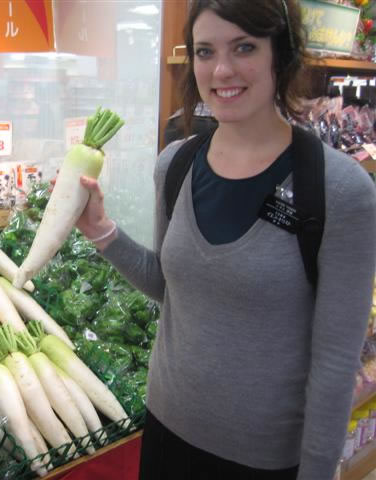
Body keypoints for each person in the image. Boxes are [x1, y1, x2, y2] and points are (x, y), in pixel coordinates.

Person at [75, 1, 376, 479]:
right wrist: (102, 231)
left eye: (244, 48)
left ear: (281, 53)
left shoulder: (339, 190)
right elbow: (170, 286)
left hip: (263, 458)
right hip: (166, 431)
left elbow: (336, 363)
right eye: (205, 51)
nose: (221, 70)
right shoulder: (175, 165)